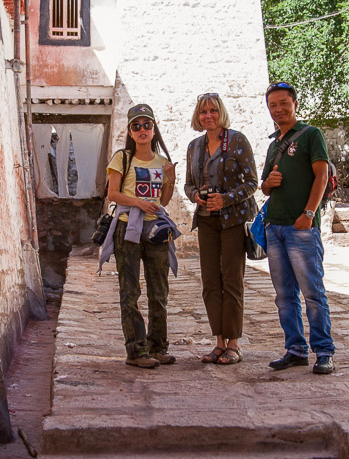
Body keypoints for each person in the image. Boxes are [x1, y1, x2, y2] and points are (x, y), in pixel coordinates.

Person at [260, 82, 336, 374]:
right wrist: (269, 183)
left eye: (283, 103)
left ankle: (324, 351)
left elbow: (322, 176)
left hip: (301, 227)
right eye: (273, 105)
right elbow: (265, 186)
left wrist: (309, 213)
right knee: (284, 296)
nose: (278, 109)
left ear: (295, 104)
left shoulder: (311, 135)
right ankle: (295, 349)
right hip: (275, 227)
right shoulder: (273, 144)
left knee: (312, 292)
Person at [101, 103, 178, 369]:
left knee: (159, 291)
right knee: (130, 290)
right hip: (128, 228)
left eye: (147, 125)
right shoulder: (122, 158)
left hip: (156, 230)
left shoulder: (163, 162)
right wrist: (138, 203)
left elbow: (163, 200)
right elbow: (112, 194)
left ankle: (158, 347)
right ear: (130, 131)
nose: (142, 129)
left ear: (154, 129)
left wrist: (170, 178)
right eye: (137, 126)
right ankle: (135, 351)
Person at [184, 93, 259, 365]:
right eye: (203, 112)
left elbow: (252, 182)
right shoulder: (195, 147)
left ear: (221, 113)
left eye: (213, 110)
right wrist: (196, 196)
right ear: (198, 116)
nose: (208, 116)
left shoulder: (237, 141)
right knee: (210, 282)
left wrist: (225, 199)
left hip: (233, 220)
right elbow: (188, 185)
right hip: (206, 220)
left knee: (232, 281)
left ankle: (234, 344)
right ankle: (218, 341)